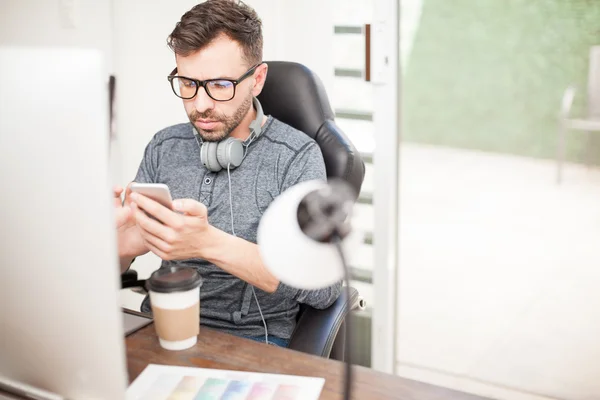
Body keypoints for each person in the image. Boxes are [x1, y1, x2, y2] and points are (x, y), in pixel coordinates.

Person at [113, 0, 342, 348]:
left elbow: (324, 289)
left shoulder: (296, 157)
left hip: (251, 341)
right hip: (158, 326)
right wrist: (120, 246)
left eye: (220, 85)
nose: (200, 104)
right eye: (188, 83)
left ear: (258, 79)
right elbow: (117, 265)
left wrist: (207, 243)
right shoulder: (164, 146)